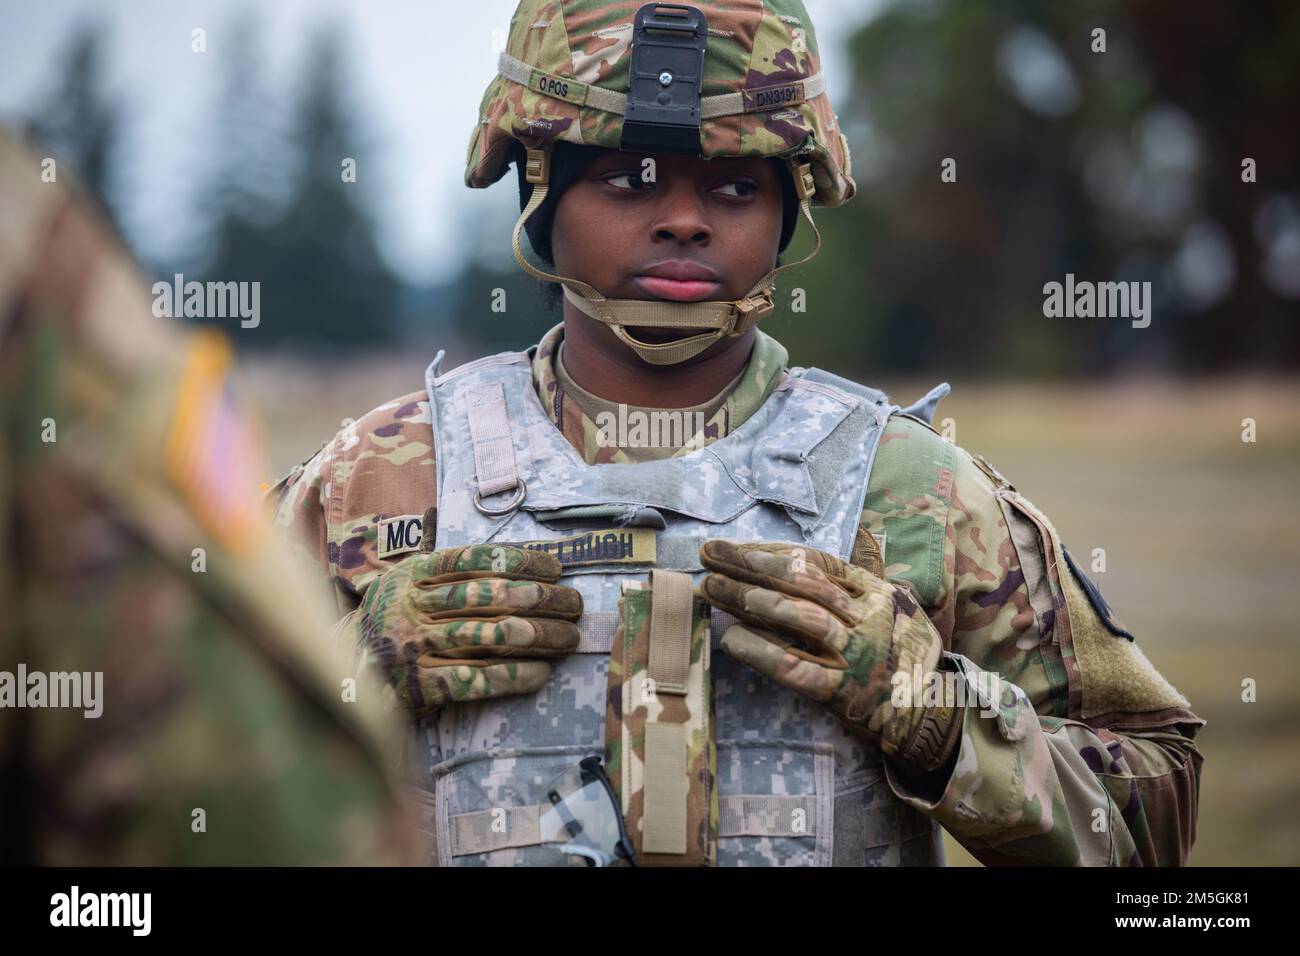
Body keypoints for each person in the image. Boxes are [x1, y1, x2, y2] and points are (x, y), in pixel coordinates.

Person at [270, 0, 1203, 866]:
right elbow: (151, 801)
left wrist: (943, 719)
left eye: (732, 185)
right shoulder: (375, 485)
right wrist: (345, 685)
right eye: (630, 178)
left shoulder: (915, 492)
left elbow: (1156, 819)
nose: (683, 220)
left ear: (788, 205)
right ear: (541, 189)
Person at [0, 129, 413, 865]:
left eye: (700, 181)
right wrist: (369, 656)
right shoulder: (365, 465)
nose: (683, 221)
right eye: (629, 180)